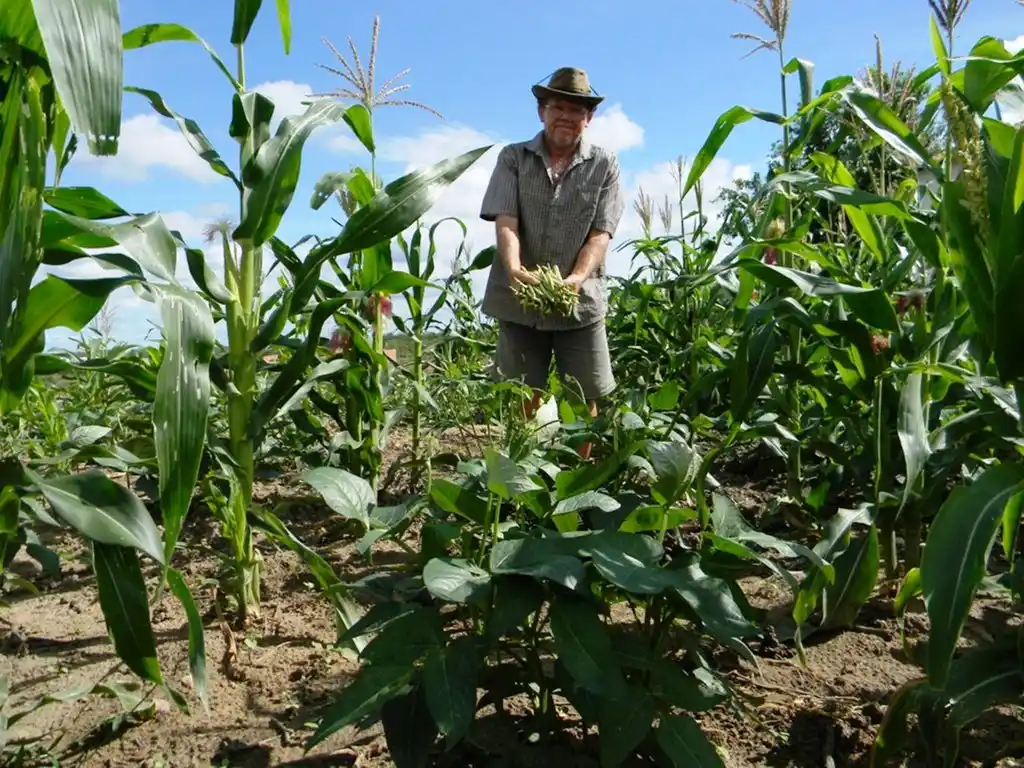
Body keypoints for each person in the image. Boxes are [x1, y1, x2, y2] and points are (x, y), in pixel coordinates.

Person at [479, 67, 624, 460]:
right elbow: (506, 220)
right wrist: (514, 270)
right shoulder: (513, 158)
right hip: (520, 297)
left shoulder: (604, 164)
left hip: (580, 300)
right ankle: (522, 473)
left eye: (577, 111)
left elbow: (601, 232)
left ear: (588, 118)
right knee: (523, 392)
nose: (567, 117)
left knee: (585, 395)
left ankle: (578, 474)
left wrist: (576, 278)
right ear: (542, 111)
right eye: (558, 107)